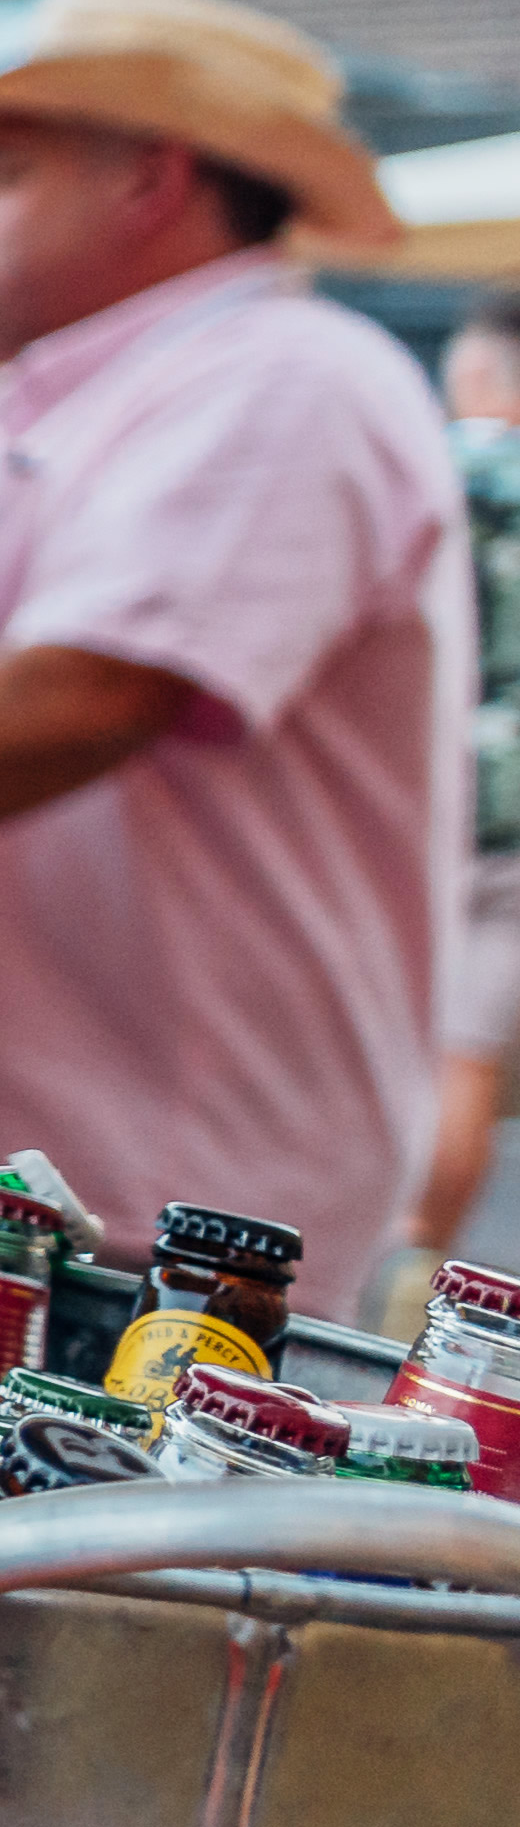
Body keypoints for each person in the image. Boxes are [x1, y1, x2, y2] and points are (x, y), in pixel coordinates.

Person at [0, 0, 462, 1257]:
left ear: (150, 179)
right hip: (8, 1198)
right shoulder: (53, 409)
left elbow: (93, 693)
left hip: (129, 1217)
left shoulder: (285, 376)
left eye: (3, 168)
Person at [409, 290, 520, 1276]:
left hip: (451, 814)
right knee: (470, 1055)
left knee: (440, 1054)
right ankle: (421, 1276)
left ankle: (398, 1267)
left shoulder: (452, 470)